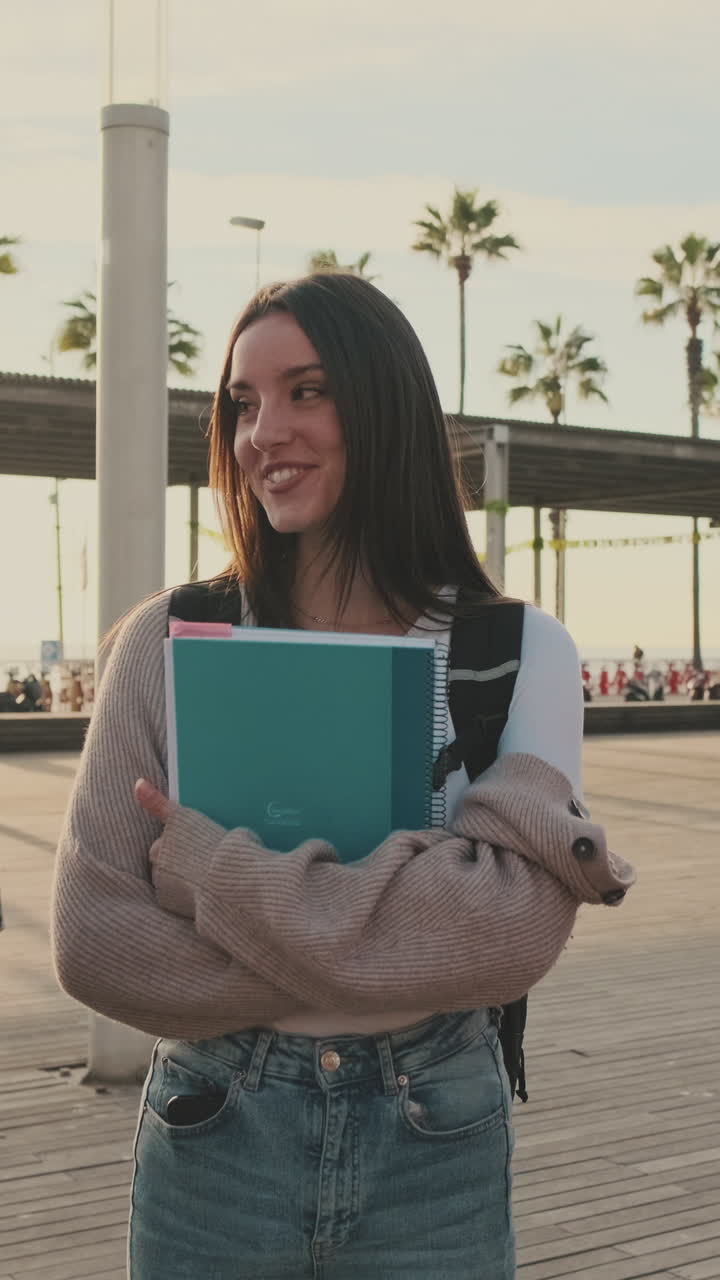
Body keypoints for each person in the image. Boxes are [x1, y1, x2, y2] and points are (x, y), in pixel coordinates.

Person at [51, 273, 633, 1280]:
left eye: (307, 391)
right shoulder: (167, 640)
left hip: (435, 1132)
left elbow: (511, 936)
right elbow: (97, 943)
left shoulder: (513, 652)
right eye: (243, 403)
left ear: (385, 406)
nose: (262, 432)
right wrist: (404, 934)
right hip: (214, 1128)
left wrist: (212, 874)